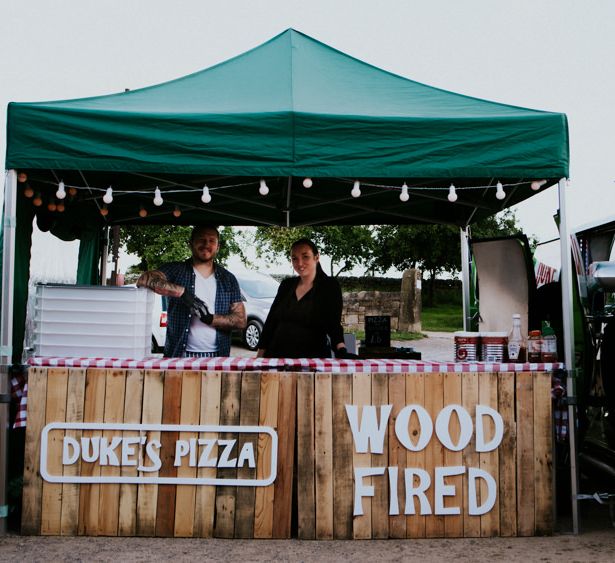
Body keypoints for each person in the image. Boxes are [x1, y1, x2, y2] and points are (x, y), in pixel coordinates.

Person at [137, 225, 246, 357]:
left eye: (211, 240)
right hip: (179, 355)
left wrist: (211, 318)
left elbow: (241, 321)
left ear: (218, 247)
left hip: (217, 356)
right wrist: (183, 293)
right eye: (201, 239)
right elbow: (144, 280)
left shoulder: (228, 279)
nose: (206, 244)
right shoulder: (176, 270)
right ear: (191, 244)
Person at [256, 238, 354, 359]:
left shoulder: (329, 286)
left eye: (305, 256)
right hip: (277, 356)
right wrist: (260, 356)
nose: (300, 263)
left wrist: (341, 349)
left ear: (316, 257)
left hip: (312, 359)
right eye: (294, 258)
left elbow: (333, 324)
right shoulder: (286, 285)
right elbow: (271, 322)